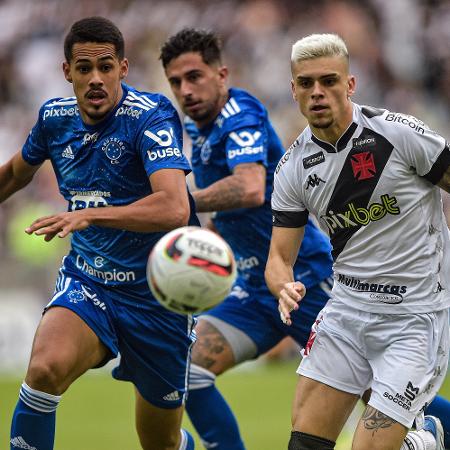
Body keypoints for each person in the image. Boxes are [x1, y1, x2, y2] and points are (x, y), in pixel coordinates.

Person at [4, 17, 198, 450]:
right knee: (43, 370)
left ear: (123, 69)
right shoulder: (54, 120)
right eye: (84, 68)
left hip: (158, 296)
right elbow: (16, 174)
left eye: (106, 67)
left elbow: (173, 206)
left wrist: (92, 216)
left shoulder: (149, 117)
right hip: (90, 282)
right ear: (66, 71)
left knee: (160, 442)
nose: (96, 79)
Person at [265, 32, 450, 450]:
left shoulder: (400, 135)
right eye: (307, 83)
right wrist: (283, 285)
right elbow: (278, 256)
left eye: (329, 81)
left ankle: (422, 442)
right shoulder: (292, 169)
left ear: (350, 84)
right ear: (293, 90)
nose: (318, 92)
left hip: (414, 319)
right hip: (346, 314)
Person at [160, 28, 334, 450]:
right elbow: (226, 208)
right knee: (188, 371)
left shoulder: (241, 114)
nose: (186, 90)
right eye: (176, 82)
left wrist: (178, 202)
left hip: (301, 279)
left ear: (222, 74)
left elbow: (252, 188)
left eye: (195, 77)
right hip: (255, 290)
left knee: (371, 390)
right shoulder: (196, 126)